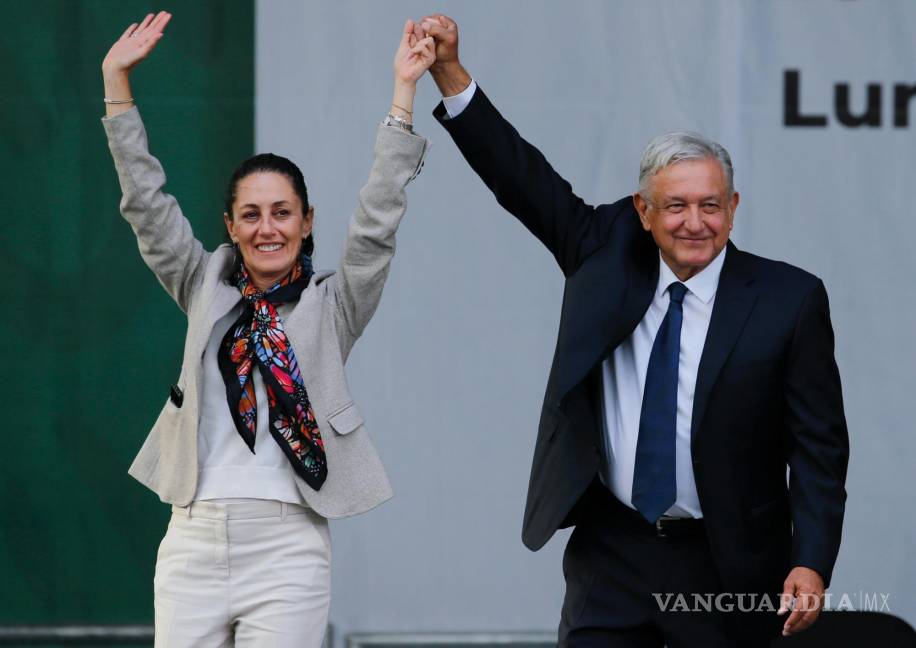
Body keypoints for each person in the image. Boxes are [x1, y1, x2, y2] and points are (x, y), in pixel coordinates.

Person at [415, 13, 849, 648]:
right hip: (613, 550)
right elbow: (519, 175)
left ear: (733, 209)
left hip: (728, 559)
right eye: (675, 205)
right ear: (644, 212)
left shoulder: (790, 299)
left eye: (709, 205)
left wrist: (810, 560)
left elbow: (818, 448)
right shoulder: (601, 250)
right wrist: (449, 72)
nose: (693, 222)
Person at [100, 11, 434, 647]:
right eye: (250, 215)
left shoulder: (333, 304)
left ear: (307, 222)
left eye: (282, 213)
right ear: (230, 225)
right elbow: (146, 207)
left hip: (288, 545)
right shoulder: (204, 286)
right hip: (193, 538)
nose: (267, 228)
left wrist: (403, 95)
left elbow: (376, 224)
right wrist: (117, 86)